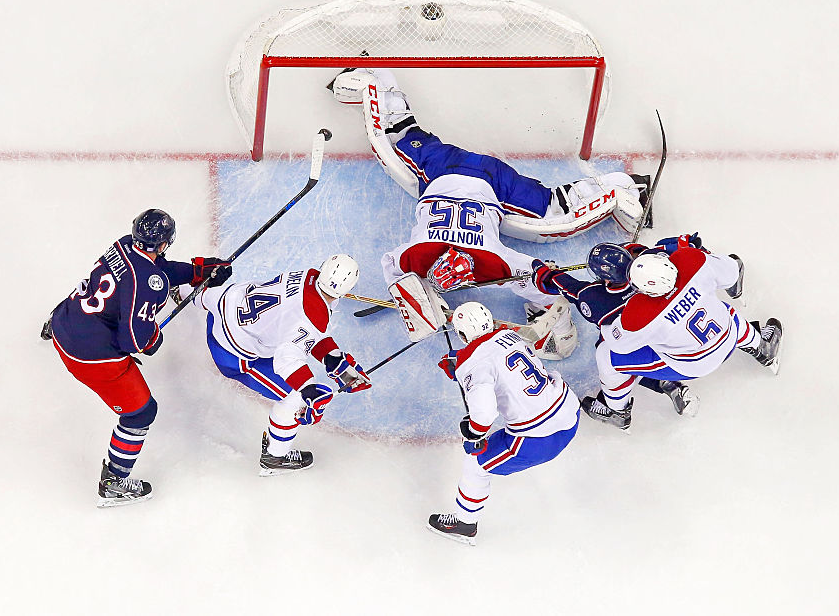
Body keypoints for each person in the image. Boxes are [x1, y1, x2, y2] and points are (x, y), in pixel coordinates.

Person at [330, 68, 649, 359]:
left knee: (554, 214)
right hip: (460, 171)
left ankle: (621, 188)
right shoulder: (432, 257)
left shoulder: (483, 261)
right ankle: (377, 84)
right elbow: (393, 267)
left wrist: (560, 324)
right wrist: (414, 293)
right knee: (396, 141)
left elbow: (542, 280)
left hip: (465, 170)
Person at [44, 209, 231, 506]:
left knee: (92, 296)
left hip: (64, 322)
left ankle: (49, 327)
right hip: (89, 357)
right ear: (161, 244)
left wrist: (200, 271)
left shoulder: (123, 244)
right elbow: (133, 339)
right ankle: (115, 481)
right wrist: (154, 339)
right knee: (141, 413)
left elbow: (158, 272)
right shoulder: (148, 282)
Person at [195, 254, 372, 475]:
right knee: (295, 397)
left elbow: (296, 326)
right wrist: (308, 390)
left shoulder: (308, 276)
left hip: (221, 307)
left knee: (227, 295)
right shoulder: (313, 316)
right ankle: (274, 458)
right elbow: (287, 357)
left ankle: (188, 294)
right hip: (231, 354)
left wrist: (334, 359)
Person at [586, 237, 782, 430]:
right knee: (721, 310)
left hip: (693, 364)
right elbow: (733, 269)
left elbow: (618, 343)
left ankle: (617, 411)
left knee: (606, 356)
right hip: (728, 336)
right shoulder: (690, 259)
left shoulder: (638, 311)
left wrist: (606, 325)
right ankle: (762, 347)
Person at [427, 302, 580, 546]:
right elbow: (497, 358)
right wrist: (463, 362)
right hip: (569, 412)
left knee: (476, 462)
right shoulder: (510, 335)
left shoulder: (472, 363)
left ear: (462, 333)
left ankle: (465, 523)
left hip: (538, 440)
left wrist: (473, 433)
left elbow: (485, 413)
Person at [529, 237, 702, 416]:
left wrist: (547, 273)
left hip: (655, 348)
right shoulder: (654, 263)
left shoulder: (597, 299)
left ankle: (616, 411)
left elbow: (566, 287)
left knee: (607, 351)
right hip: (686, 334)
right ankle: (668, 383)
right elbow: (677, 245)